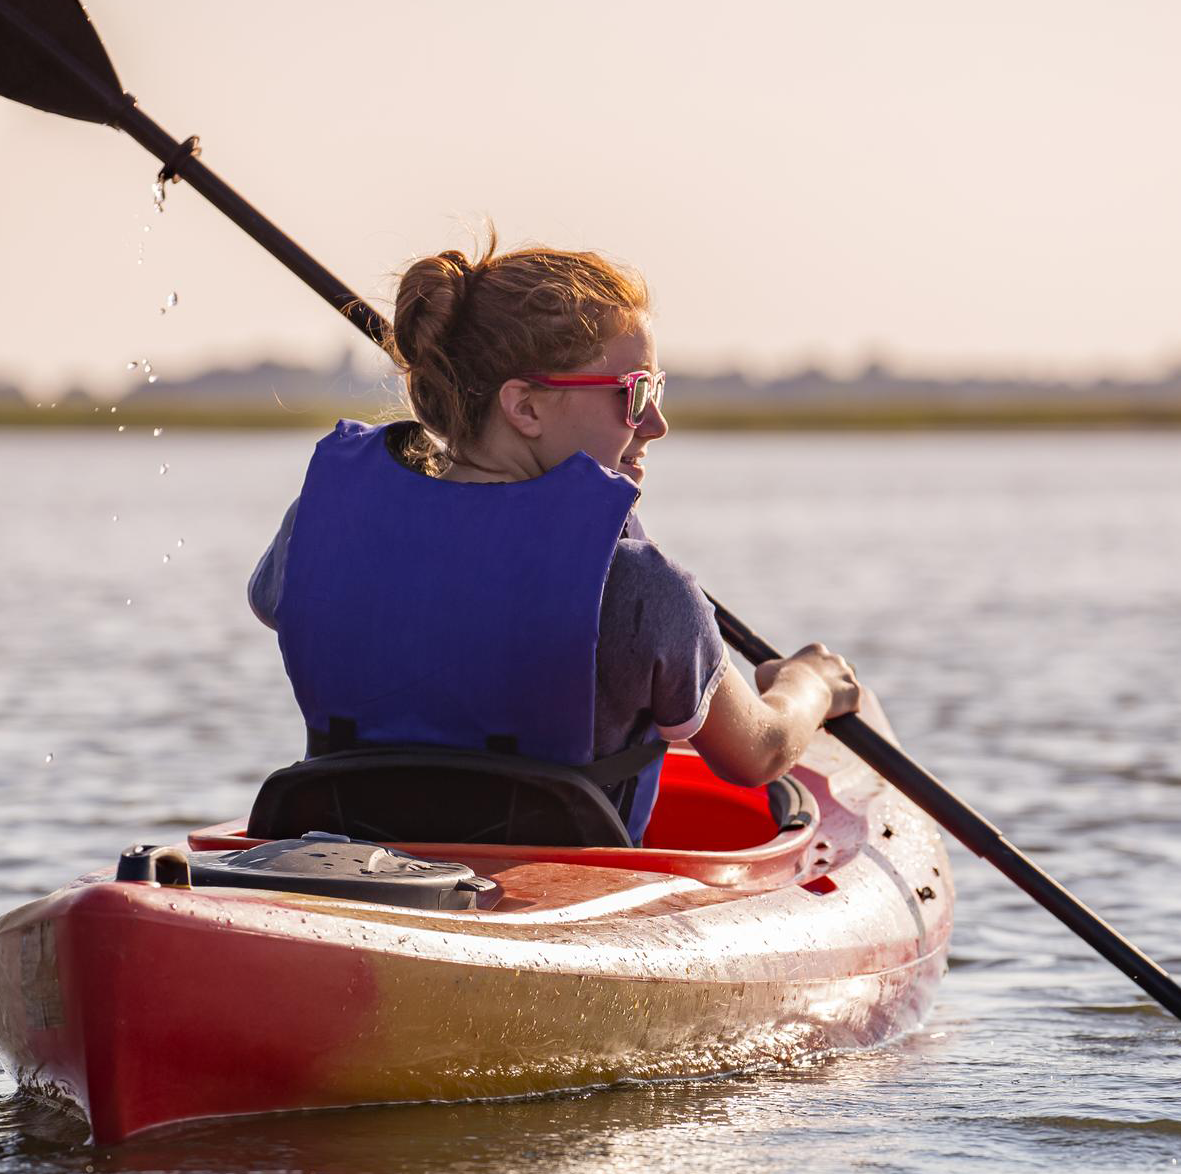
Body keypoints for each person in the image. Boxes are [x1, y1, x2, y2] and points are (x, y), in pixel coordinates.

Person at [247, 234, 859, 844]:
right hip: (559, 907)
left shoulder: (316, 529)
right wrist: (808, 685)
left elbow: (276, 603)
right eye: (633, 394)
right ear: (526, 408)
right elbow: (760, 752)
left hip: (350, 870)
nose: (656, 423)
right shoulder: (642, 589)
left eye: (657, 390)